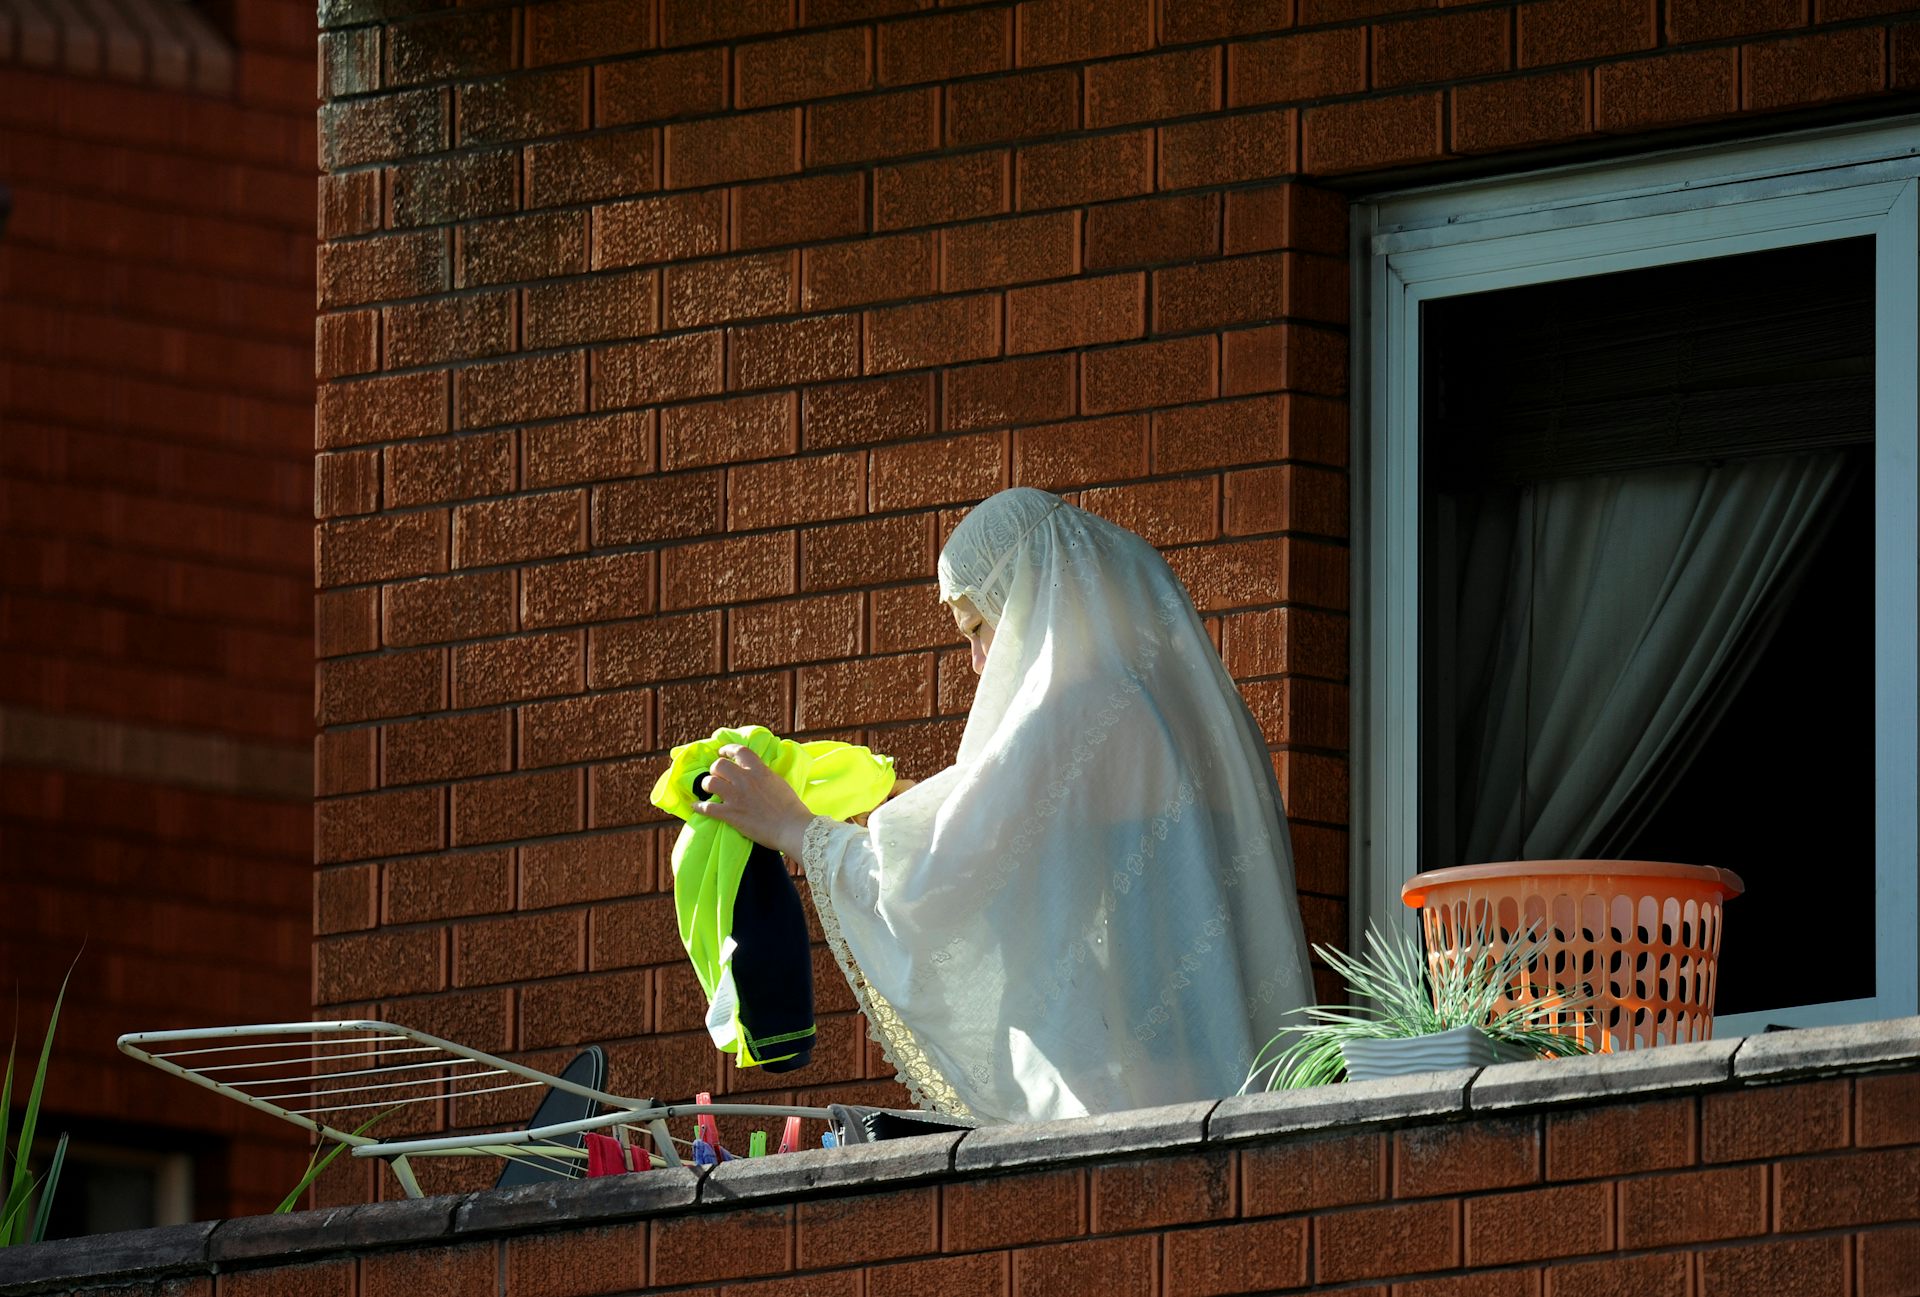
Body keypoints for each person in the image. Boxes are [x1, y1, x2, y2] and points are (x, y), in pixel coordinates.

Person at [692, 487, 1314, 1123]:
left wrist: (793, 825)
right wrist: (894, 808)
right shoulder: (1164, 704)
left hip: (1138, 1105)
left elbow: (936, 880)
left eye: (978, 628)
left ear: (1026, 597)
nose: (976, 661)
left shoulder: (1075, 706)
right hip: (1201, 1081)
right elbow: (1026, 839)